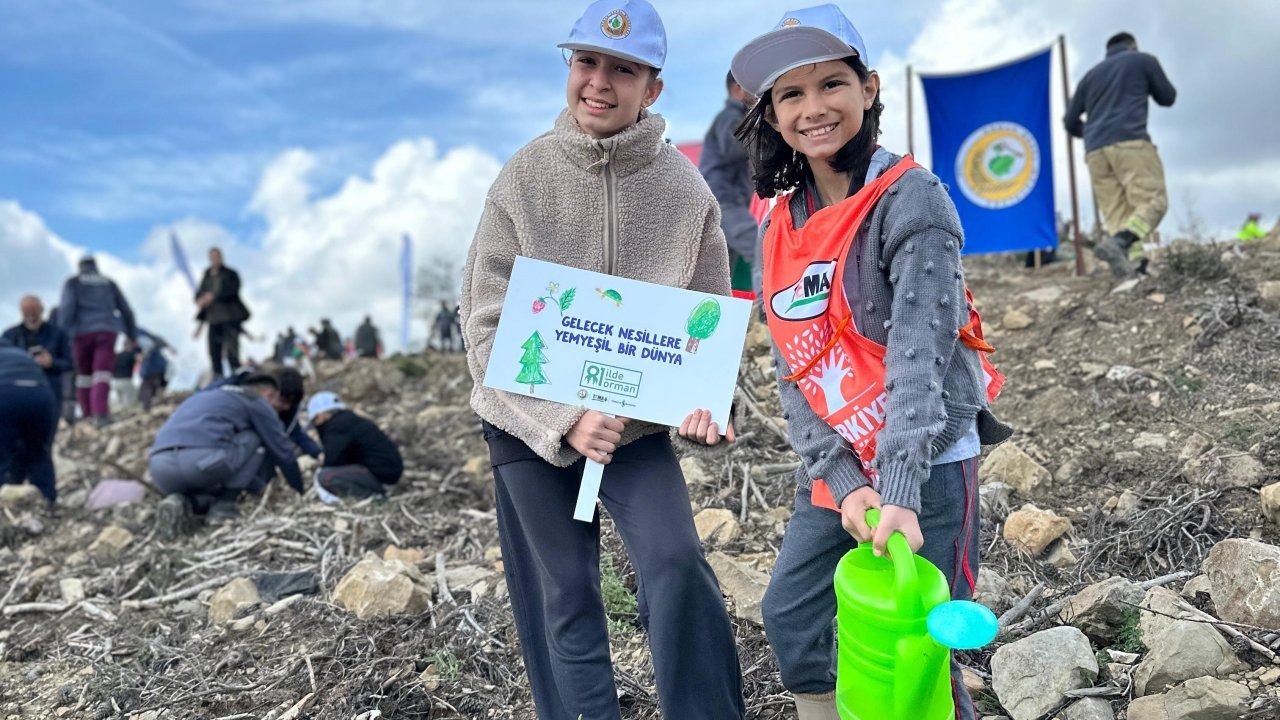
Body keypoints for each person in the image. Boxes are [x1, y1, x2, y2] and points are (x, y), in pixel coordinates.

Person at [458, 1, 745, 717]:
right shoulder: (523, 178)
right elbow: (486, 325)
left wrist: (708, 402)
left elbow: (704, 325)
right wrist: (563, 419)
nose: (599, 82)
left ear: (652, 88)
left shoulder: (687, 192)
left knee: (676, 562)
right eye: (586, 62)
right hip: (529, 430)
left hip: (634, 433)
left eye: (624, 69)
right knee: (565, 594)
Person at [731, 5, 1012, 718]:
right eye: (790, 94)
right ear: (770, 113)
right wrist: (846, 479)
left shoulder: (911, 199)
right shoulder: (776, 220)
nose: (813, 108)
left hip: (928, 462)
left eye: (831, 84)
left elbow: (922, 358)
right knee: (793, 620)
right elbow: (793, 368)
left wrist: (900, 492)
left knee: (920, 658)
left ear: (869, 88)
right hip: (839, 466)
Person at [1064, 31, 1176, 278]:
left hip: (1095, 152)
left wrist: (1093, 132)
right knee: (1153, 202)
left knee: (1118, 214)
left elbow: (1070, 121)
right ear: (1132, 45)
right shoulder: (1143, 60)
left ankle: (1135, 268)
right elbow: (1167, 97)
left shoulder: (1089, 77)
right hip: (1130, 142)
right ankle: (1121, 243)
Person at [148, 373, 304, 539]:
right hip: (200, 463)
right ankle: (225, 506)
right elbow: (282, 449)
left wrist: (257, 487)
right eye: (280, 401)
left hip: (160, 469)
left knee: (213, 484)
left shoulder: (204, 395)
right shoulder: (254, 399)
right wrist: (299, 489)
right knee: (255, 436)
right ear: (268, 394)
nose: (284, 408)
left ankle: (184, 502)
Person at [59, 255, 138, 426]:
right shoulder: (108, 283)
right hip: (106, 331)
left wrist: (62, 335)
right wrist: (132, 334)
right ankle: (101, 413)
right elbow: (126, 309)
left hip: (81, 333)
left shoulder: (74, 282)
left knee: (84, 375)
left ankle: (87, 414)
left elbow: (66, 309)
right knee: (102, 373)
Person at [700, 69, 759, 295]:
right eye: (752, 88)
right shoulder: (731, 118)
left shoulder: (738, 118)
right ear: (737, 88)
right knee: (762, 251)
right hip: (724, 202)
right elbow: (733, 149)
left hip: (726, 202)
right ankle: (771, 316)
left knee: (723, 275)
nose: (757, 94)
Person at [306, 391, 402, 500]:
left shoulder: (336, 427)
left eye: (314, 421)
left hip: (380, 476)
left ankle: (373, 497)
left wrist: (321, 460)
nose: (316, 425)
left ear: (321, 415)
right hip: (389, 473)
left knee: (326, 477)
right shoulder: (350, 420)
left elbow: (332, 461)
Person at [0, 341, 59, 507]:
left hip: (5, 393)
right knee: (39, 454)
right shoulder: (19, 352)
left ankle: (5, 508)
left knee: (3, 455)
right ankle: (48, 503)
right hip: (41, 395)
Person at [2, 295, 73, 422]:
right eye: (27, 313)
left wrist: (52, 362)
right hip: (17, 393)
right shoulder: (9, 336)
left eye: (34, 313)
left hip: (50, 391)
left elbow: (69, 362)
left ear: (41, 310)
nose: (31, 317)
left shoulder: (58, 334)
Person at [195, 247, 252, 377]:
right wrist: (201, 300)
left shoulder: (230, 274)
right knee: (214, 351)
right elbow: (199, 292)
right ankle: (218, 377)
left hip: (229, 318)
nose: (215, 259)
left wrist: (214, 297)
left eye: (217, 256)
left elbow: (233, 290)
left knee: (232, 350)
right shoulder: (207, 275)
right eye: (213, 257)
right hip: (212, 319)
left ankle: (237, 375)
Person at [137, 331, 171, 411]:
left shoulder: (139, 336)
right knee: (156, 386)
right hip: (159, 367)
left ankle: (147, 407)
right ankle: (160, 403)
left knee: (147, 388)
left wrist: (143, 356)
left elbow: (148, 347)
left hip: (152, 369)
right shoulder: (151, 337)